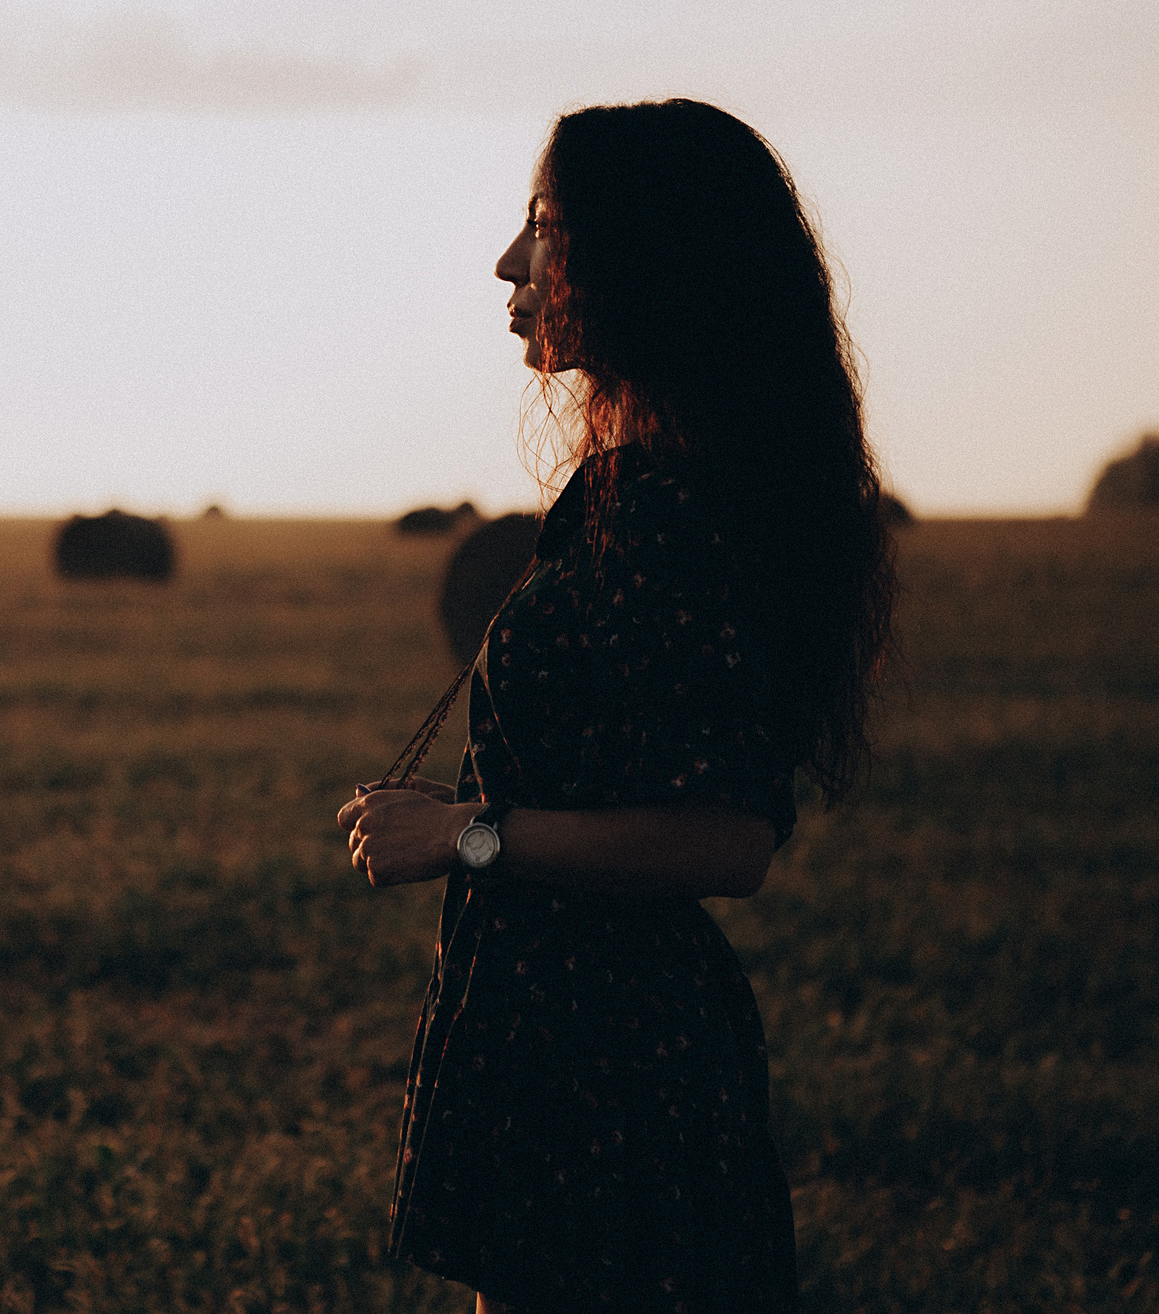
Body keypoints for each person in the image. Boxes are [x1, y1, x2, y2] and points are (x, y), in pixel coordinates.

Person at [336, 99, 893, 1313]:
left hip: (609, 1064)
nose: (507, 263)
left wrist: (466, 833)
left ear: (642, 257)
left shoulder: (668, 512)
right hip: (576, 1042)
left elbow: (724, 834)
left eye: (542, 227)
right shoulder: (662, 487)